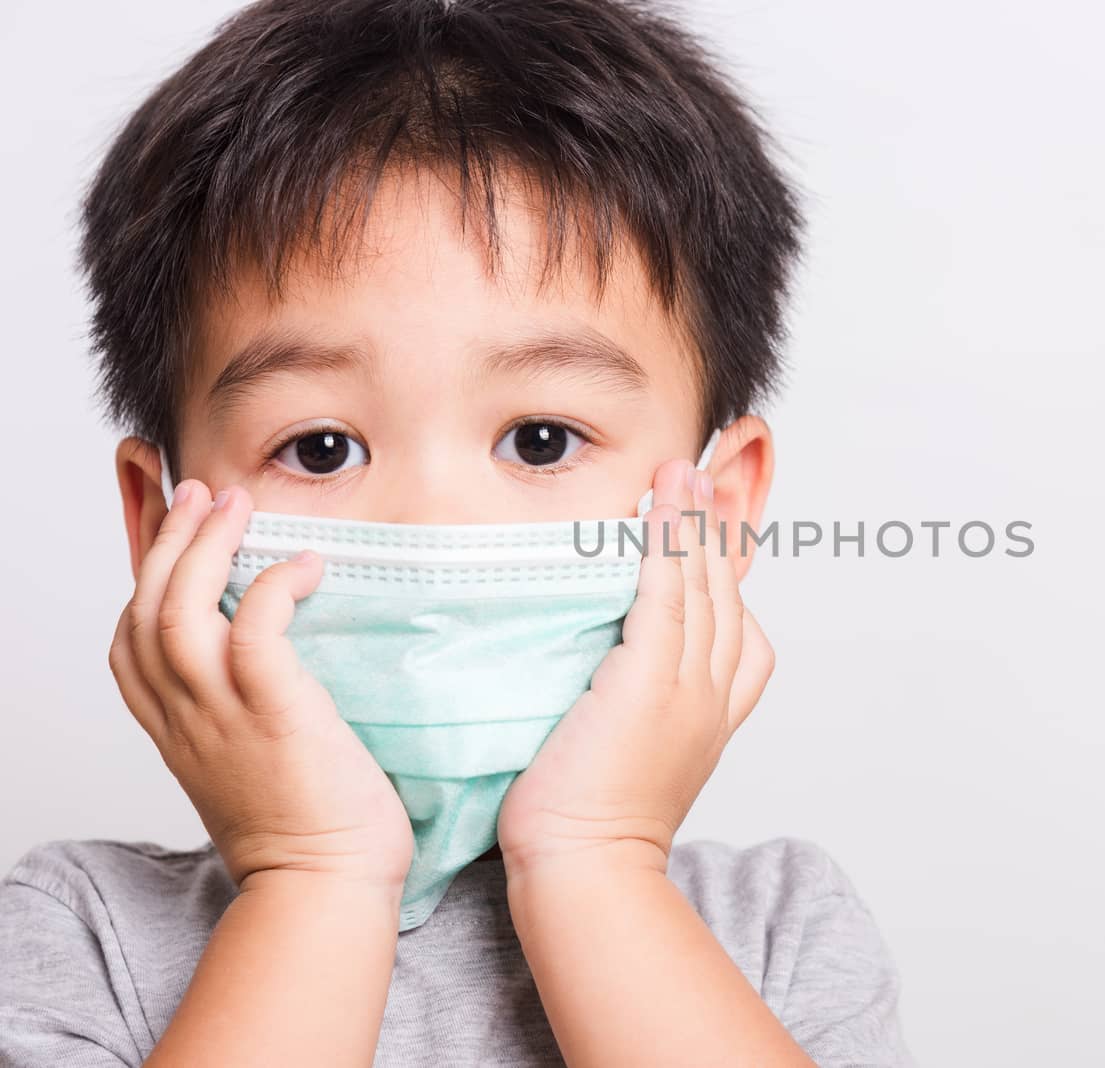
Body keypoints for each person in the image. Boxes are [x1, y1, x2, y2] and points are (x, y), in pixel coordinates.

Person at [0, 1, 914, 1064]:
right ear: (162, 528)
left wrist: (595, 859)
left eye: (538, 439)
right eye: (322, 447)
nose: (437, 524)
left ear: (716, 515)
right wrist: (313, 873)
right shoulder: (77, 931)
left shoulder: (780, 931)